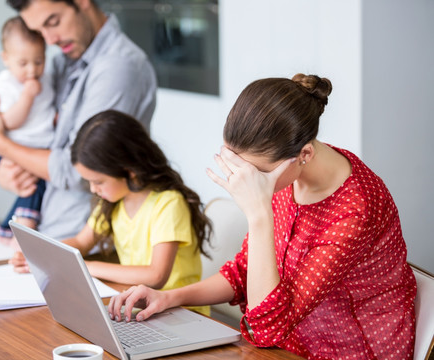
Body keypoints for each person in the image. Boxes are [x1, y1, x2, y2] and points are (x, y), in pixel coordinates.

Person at [108, 74, 417, 359]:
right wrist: (169, 297)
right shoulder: (287, 169)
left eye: (255, 173)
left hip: (350, 349)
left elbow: (264, 329)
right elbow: (244, 271)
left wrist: (258, 216)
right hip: (291, 341)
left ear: (305, 154)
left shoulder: (354, 211)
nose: (244, 182)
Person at [0, 0, 157, 243]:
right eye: (39, 31)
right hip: (48, 232)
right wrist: (7, 173)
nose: (50, 39)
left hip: (89, 247)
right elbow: (35, 133)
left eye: (53, 22)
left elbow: (77, 170)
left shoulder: (118, 67)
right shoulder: (62, 63)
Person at [11, 110, 211, 314]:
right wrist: (40, 255)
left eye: (98, 181)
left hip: (180, 312)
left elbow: (156, 276)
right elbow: (81, 242)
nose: (92, 189)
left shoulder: (169, 203)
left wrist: (85, 267)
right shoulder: (113, 200)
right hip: (141, 307)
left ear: (129, 170)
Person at [0, 16, 55, 244]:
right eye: (23, 63)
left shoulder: (46, 79)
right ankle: (23, 230)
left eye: (39, 61)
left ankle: (9, 228)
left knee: (38, 186)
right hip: (15, 144)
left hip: (40, 144)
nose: (32, 70)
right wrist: (27, 97)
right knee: (33, 188)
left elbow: (50, 108)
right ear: (6, 59)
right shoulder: (3, 85)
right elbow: (7, 122)